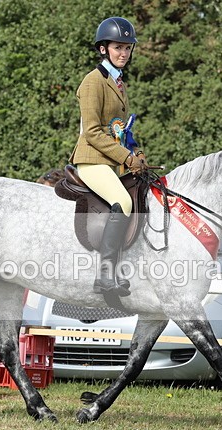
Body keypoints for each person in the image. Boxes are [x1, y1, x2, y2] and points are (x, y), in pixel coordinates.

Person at [70, 16, 147, 297]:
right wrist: (126, 158)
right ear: (103, 49)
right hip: (91, 159)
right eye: (118, 47)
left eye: (127, 48)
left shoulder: (118, 82)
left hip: (110, 159)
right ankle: (104, 276)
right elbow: (92, 131)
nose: (124, 53)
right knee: (123, 201)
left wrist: (136, 151)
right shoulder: (93, 82)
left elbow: (119, 129)